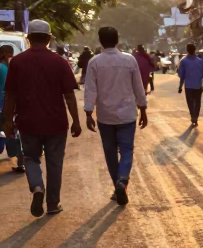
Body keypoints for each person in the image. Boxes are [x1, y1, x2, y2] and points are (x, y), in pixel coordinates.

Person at [0, 19, 83, 217]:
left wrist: (8, 121)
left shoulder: (17, 62)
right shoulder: (60, 62)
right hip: (56, 122)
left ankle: (37, 187)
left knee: (31, 158)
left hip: (28, 121)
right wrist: (76, 121)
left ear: (28, 39)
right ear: (49, 38)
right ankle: (53, 203)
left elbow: (10, 95)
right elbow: (69, 96)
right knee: (55, 163)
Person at [85, 27, 148, 206]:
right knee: (127, 150)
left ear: (100, 41)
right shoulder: (129, 60)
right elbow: (138, 86)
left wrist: (88, 112)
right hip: (127, 114)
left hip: (105, 116)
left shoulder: (94, 62)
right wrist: (143, 108)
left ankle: (117, 186)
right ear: (117, 39)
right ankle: (122, 180)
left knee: (110, 152)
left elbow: (90, 89)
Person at [0, 43, 23, 172]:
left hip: (2, 104)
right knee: (13, 133)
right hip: (13, 104)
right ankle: (20, 163)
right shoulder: (13, 68)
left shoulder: (1, 68)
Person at [176, 42, 203, 127]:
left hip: (189, 87)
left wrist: (180, 86)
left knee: (190, 102)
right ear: (195, 50)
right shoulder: (200, 61)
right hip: (198, 86)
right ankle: (196, 117)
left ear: (187, 50)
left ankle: (192, 116)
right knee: (197, 102)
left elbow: (181, 75)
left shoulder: (183, 61)